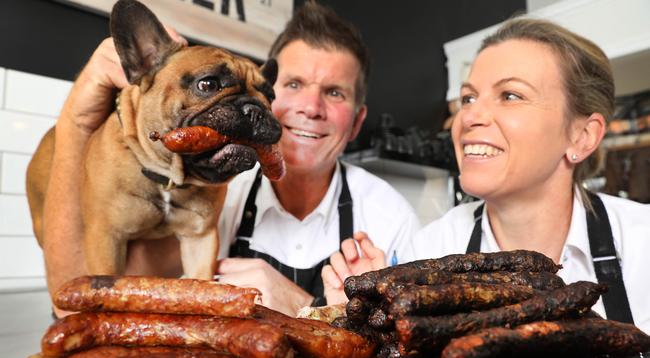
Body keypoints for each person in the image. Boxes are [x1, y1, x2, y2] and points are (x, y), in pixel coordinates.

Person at [41, 1, 419, 317]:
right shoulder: (210, 188)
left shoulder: (390, 217)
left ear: (357, 122)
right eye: (292, 85)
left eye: (335, 93)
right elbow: (83, 304)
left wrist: (307, 308)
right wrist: (77, 118)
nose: (311, 107)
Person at [403, 18, 648, 333]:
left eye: (510, 96)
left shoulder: (643, 243)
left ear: (582, 136)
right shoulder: (429, 249)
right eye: (468, 98)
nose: (470, 116)